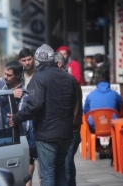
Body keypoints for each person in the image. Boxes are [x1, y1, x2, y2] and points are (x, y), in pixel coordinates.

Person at [8, 44, 76, 186]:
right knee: (61, 171)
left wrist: (16, 118)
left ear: (37, 61)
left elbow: (34, 105)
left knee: (48, 174)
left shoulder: (38, 78)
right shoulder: (68, 77)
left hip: (47, 134)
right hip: (66, 133)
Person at [55, 52, 83, 186]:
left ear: (59, 64)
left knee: (66, 164)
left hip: (69, 129)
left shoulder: (66, 81)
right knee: (68, 163)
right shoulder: (69, 80)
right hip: (72, 128)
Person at [0, 61, 28, 130]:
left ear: (18, 75)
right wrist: (9, 96)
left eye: (9, 75)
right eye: (5, 73)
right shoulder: (1, 82)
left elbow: (22, 119)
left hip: (11, 133)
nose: (5, 77)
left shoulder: (22, 92)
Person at [18, 48, 39, 186]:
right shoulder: (18, 75)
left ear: (33, 59)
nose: (27, 63)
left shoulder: (40, 74)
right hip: (23, 119)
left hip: (38, 118)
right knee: (27, 155)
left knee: (37, 154)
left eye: (29, 59)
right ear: (20, 61)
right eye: (24, 60)